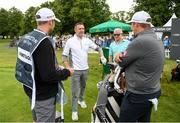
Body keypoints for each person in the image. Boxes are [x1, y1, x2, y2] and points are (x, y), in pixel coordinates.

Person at [15, 7, 74, 122]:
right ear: (50, 22)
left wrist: (55, 68)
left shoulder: (26, 37)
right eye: (54, 22)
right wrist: (67, 72)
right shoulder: (44, 42)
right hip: (42, 94)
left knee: (36, 120)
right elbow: (48, 76)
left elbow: (35, 63)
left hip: (31, 89)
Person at [115, 11, 164, 122]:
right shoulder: (156, 38)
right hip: (153, 90)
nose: (132, 27)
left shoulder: (140, 41)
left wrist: (117, 55)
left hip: (138, 95)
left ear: (136, 24)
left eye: (132, 24)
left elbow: (122, 62)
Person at [62, 22, 107, 121]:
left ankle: (81, 100)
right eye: (80, 29)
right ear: (75, 30)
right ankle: (74, 111)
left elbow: (98, 48)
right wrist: (68, 67)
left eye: (83, 28)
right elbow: (64, 56)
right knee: (74, 91)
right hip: (75, 71)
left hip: (85, 69)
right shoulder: (70, 41)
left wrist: (102, 56)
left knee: (83, 86)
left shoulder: (87, 40)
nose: (82, 30)